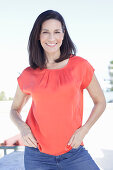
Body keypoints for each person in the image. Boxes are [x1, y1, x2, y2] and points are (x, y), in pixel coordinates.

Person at [10, 10, 106, 170]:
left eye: (57, 32)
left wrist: (85, 129)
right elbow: (14, 109)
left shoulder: (80, 66)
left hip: (73, 153)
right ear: (38, 36)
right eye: (45, 32)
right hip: (37, 156)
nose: (52, 38)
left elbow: (101, 102)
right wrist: (23, 128)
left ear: (64, 34)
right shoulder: (28, 74)